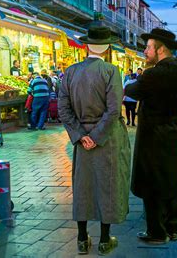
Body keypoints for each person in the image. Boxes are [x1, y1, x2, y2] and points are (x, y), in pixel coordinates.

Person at [58, 26, 131, 255]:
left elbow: (63, 108)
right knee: (107, 185)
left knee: (83, 186)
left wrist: (80, 136)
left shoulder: (69, 73)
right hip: (107, 139)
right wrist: (97, 137)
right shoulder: (111, 71)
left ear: (86, 45)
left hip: (82, 140)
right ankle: (104, 240)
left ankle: (81, 239)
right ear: (108, 47)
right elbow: (112, 111)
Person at [124, 28, 177, 245]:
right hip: (174, 132)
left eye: (148, 47)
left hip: (153, 134)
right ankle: (173, 227)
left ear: (161, 49)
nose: (145, 51)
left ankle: (157, 232)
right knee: (171, 178)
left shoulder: (153, 74)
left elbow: (132, 91)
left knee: (152, 181)